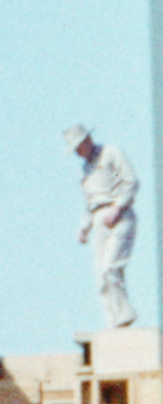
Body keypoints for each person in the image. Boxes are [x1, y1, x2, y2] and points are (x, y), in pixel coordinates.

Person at [67, 124, 140, 328]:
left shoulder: (111, 153)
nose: (78, 153)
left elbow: (130, 181)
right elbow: (88, 202)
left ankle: (124, 314)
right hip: (99, 218)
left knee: (110, 267)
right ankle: (112, 323)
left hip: (118, 213)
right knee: (101, 276)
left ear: (87, 141)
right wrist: (84, 227)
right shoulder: (85, 169)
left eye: (79, 147)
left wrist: (117, 207)